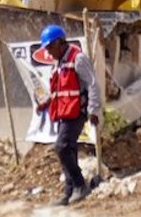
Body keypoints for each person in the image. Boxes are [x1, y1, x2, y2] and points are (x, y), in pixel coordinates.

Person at [37, 24, 101, 206]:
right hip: (64, 112)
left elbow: (93, 84)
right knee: (69, 150)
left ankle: (80, 185)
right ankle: (69, 192)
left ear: (60, 43)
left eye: (50, 47)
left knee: (62, 147)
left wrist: (93, 110)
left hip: (77, 112)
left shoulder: (78, 59)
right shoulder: (59, 63)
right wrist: (46, 102)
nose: (48, 52)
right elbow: (59, 90)